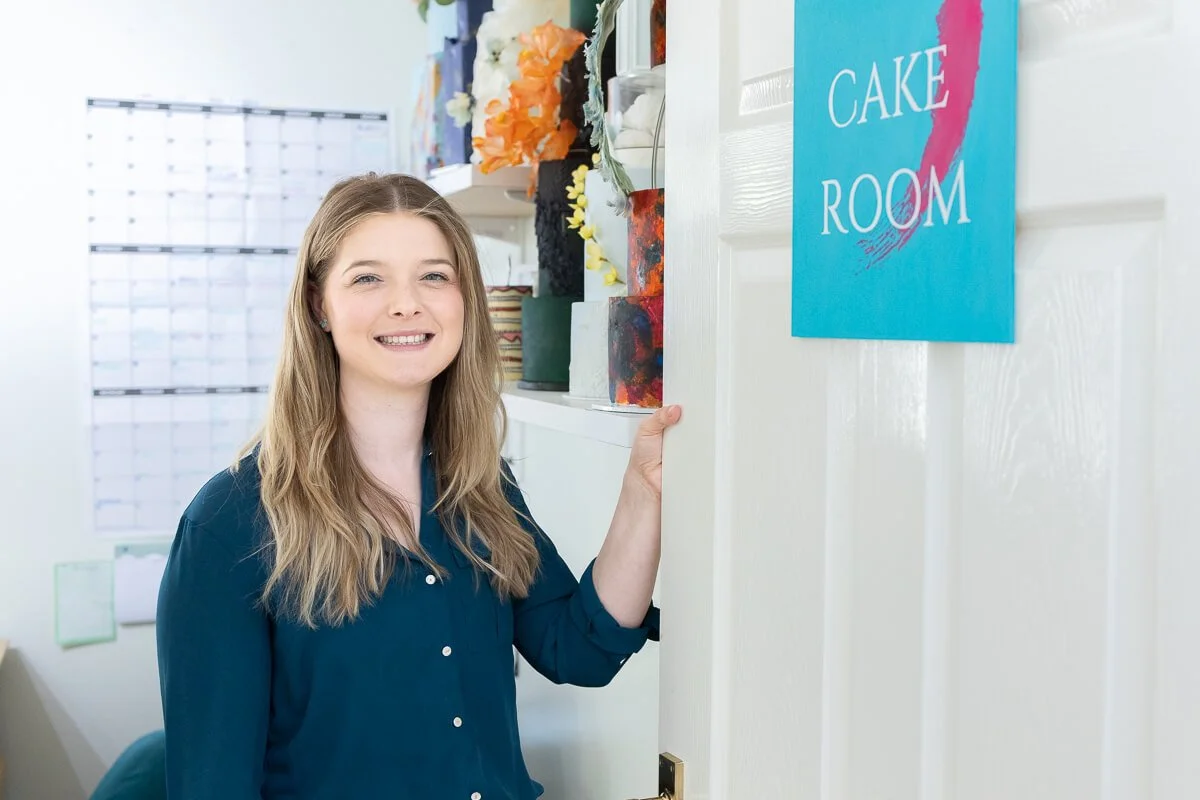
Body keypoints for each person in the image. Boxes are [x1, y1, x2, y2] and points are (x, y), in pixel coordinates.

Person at [155, 172, 682, 800]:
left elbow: (580, 648)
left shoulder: (481, 487)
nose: (406, 303)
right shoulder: (231, 523)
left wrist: (643, 489)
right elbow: (213, 786)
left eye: (434, 275)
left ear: (464, 300)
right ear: (319, 304)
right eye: (368, 277)